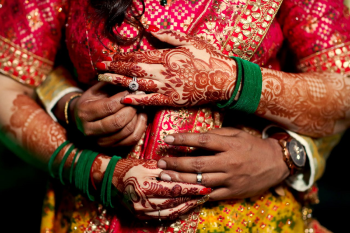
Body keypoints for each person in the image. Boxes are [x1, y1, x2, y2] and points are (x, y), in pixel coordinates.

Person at [0, 0, 349, 232]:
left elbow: (342, 92)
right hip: (93, 213)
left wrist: (239, 89)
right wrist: (94, 170)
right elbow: (7, 86)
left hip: (251, 215)